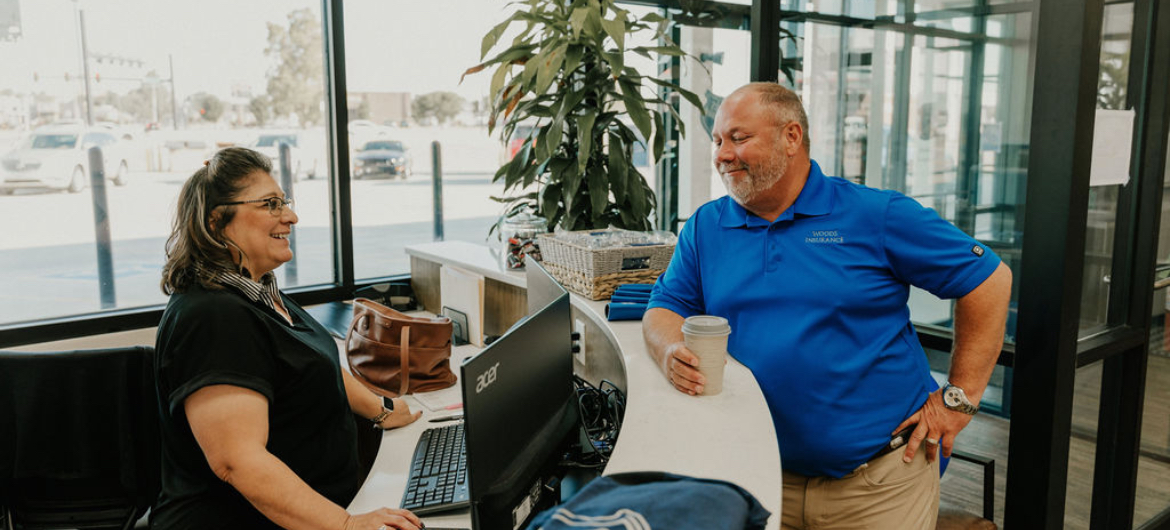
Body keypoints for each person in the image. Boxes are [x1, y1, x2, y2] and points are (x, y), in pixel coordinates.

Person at [643, 83, 1012, 529]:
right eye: (717, 141)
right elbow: (666, 304)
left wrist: (959, 399)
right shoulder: (707, 225)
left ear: (791, 137)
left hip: (876, 484)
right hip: (754, 473)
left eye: (739, 138)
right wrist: (667, 350)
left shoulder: (875, 215)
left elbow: (989, 280)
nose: (722, 154)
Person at [154, 147, 424, 530]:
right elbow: (237, 460)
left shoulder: (259, 292)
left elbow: (314, 365)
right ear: (217, 222)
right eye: (270, 204)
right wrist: (347, 525)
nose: (291, 217)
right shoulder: (212, 317)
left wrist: (384, 410)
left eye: (285, 202)